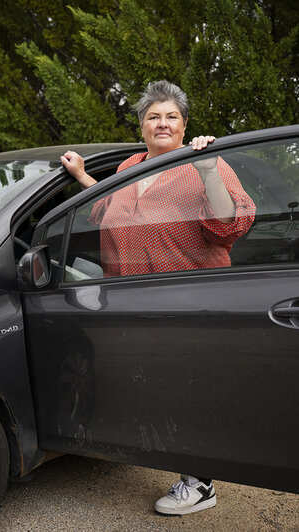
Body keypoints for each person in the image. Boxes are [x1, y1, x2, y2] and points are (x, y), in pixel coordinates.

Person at [60, 80, 256, 516]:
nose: (162, 123)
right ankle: (164, 453)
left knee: (188, 390)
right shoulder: (131, 166)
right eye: (153, 116)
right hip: (128, 299)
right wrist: (81, 178)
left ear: (184, 125)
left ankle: (200, 483)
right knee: (151, 385)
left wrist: (206, 170)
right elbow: (105, 207)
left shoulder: (206, 162)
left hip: (187, 302)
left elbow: (228, 226)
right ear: (143, 125)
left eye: (171, 116)